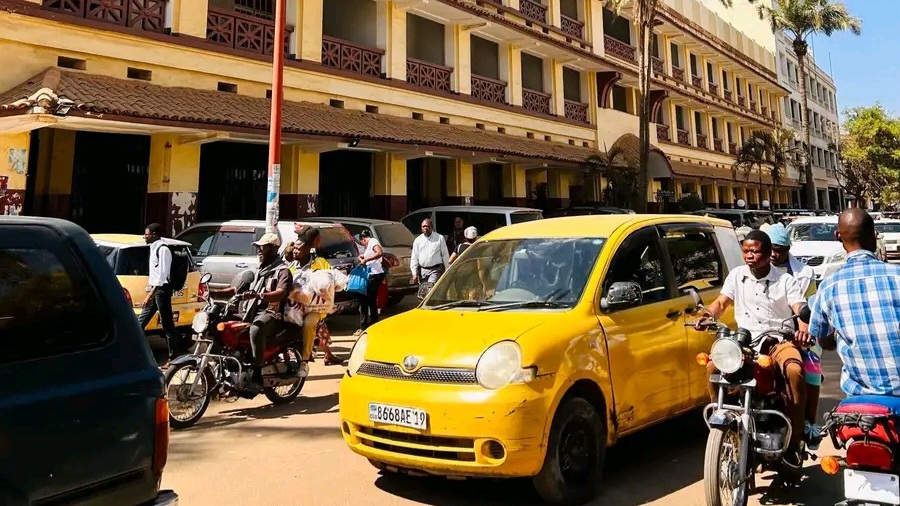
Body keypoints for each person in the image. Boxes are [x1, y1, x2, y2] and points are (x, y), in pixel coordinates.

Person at [697, 230, 812, 466]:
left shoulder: (785, 280)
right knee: (712, 367)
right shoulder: (737, 276)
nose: (750, 255)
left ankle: (795, 438)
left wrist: (803, 326)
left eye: (756, 251)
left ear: (769, 254)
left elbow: (799, 306)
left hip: (779, 341)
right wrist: (708, 314)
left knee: (794, 372)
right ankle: (722, 418)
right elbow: (720, 302)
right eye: (746, 251)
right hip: (744, 343)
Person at [808, 208, 900, 397]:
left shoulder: (828, 287)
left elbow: (822, 340)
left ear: (837, 237)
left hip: (861, 398)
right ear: (875, 236)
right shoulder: (897, 276)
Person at [209, 233, 291, 393]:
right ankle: (225, 364)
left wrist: (260, 295)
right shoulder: (256, 271)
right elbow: (236, 289)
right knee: (218, 324)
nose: (259, 250)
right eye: (258, 248)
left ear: (274, 249)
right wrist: (213, 293)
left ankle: (257, 371)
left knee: (256, 329)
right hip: (249, 312)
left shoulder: (282, 271)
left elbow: (281, 293)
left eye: (263, 247)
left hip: (271, 313)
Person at [767, 222, 823, 449]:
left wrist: (804, 333)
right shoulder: (744, 271)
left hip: (798, 334)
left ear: (788, 249)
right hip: (764, 334)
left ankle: (808, 423)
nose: (773, 254)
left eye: (779, 249)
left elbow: (808, 308)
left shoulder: (804, 274)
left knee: (810, 372)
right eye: (769, 248)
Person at [289, 225, 341, 367]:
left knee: (310, 324)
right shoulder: (290, 263)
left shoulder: (320, 263)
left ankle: (304, 360)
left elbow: (333, 280)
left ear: (309, 246)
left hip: (315, 308)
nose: (296, 247)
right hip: (295, 306)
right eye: (296, 244)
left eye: (300, 244)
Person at [138, 223, 187, 360]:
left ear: (154, 234)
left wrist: (150, 294)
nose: (145, 237)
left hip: (162, 291)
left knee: (167, 325)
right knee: (140, 323)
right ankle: (136, 353)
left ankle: (174, 357)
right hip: (156, 291)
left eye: (146, 234)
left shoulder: (163, 250)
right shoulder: (154, 248)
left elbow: (162, 275)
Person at [356, 228, 385, 334]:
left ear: (363, 239)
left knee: (365, 300)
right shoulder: (370, 245)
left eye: (362, 243)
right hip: (371, 274)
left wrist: (366, 259)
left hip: (374, 275)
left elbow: (379, 253)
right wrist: (363, 256)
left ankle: (366, 326)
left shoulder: (373, 241)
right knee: (369, 300)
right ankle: (372, 323)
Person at [410, 219, 449, 285]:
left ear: (431, 227)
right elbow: (414, 258)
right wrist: (414, 273)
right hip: (422, 271)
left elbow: (445, 254)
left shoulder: (439, 238)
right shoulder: (418, 240)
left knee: (429, 288)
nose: (425, 228)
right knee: (424, 292)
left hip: (435, 270)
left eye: (427, 226)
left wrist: (447, 269)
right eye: (423, 226)